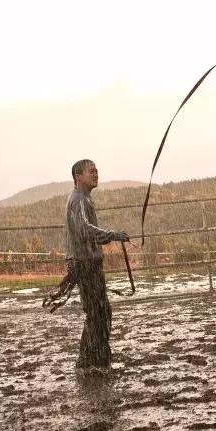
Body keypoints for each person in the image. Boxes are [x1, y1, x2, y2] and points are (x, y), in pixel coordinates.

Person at [44, 159, 130, 371]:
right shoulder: (80, 200)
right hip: (85, 262)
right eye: (91, 171)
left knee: (98, 311)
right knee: (98, 312)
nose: (96, 174)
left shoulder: (81, 199)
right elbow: (85, 229)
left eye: (96, 171)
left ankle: (91, 360)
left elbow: (84, 230)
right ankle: (94, 362)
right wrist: (112, 235)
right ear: (78, 176)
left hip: (84, 261)